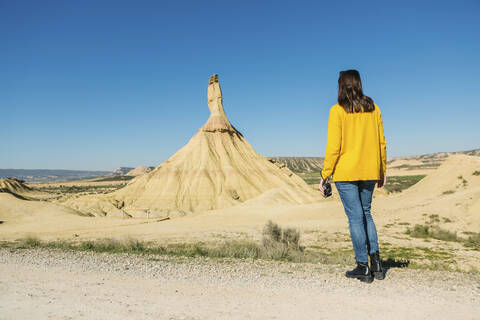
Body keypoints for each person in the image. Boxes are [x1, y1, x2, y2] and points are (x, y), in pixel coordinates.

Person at [319, 70, 387, 283]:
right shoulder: (373, 109)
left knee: (355, 218)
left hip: (346, 172)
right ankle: (376, 263)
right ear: (358, 84)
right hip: (369, 170)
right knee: (366, 213)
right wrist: (382, 170)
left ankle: (362, 267)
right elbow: (381, 141)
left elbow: (333, 147)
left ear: (341, 86)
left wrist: (325, 174)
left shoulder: (337, 111)